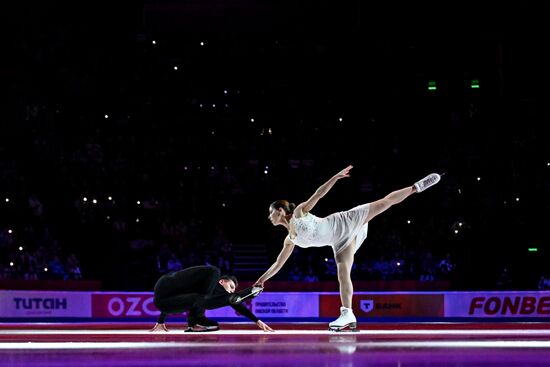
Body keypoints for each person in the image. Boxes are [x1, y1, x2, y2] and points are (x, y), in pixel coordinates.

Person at [254, 165, 441, 331]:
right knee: (343, 274)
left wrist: (335, 178)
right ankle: (348, 314)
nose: (269, 217)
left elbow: (318, 194)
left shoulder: (298, 212)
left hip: (345, 221)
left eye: (271, 213)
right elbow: (278, 264)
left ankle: (416, 187)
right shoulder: (290, 240)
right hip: (340, 242)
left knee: (384, 202)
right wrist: (260, 280)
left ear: (280, 211)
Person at [150, 265, 272, 332]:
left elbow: (233, 302)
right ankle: (196, 321)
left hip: (165, 303)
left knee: (201, 300)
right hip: (165, 284)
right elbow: (225, 299)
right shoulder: (213, 274)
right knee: (206, 296)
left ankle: (193, 324)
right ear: (222, 281)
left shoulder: (202, 289)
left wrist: (256, 320)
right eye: (230, 286)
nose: (230, 290)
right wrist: (244, 294)